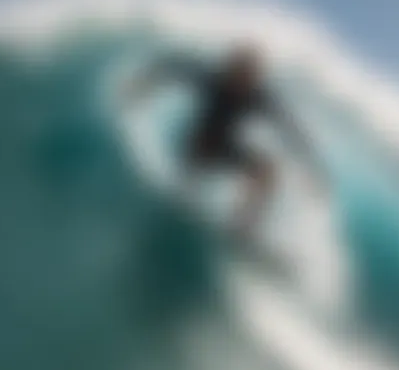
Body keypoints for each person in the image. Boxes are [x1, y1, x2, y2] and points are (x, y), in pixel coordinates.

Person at [126, 43, 325, 237]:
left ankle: (241, 226)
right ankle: (176, 207)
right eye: (239, 70)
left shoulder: (258, 97)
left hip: (224, 147)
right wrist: (142, 85)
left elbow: (289, 131)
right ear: (231, 67)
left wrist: (310, 170)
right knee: (188, 188)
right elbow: (175, 69)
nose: (243, 79)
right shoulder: (213, 80)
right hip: (199, 144)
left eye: (250, 74)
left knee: (267, 172)